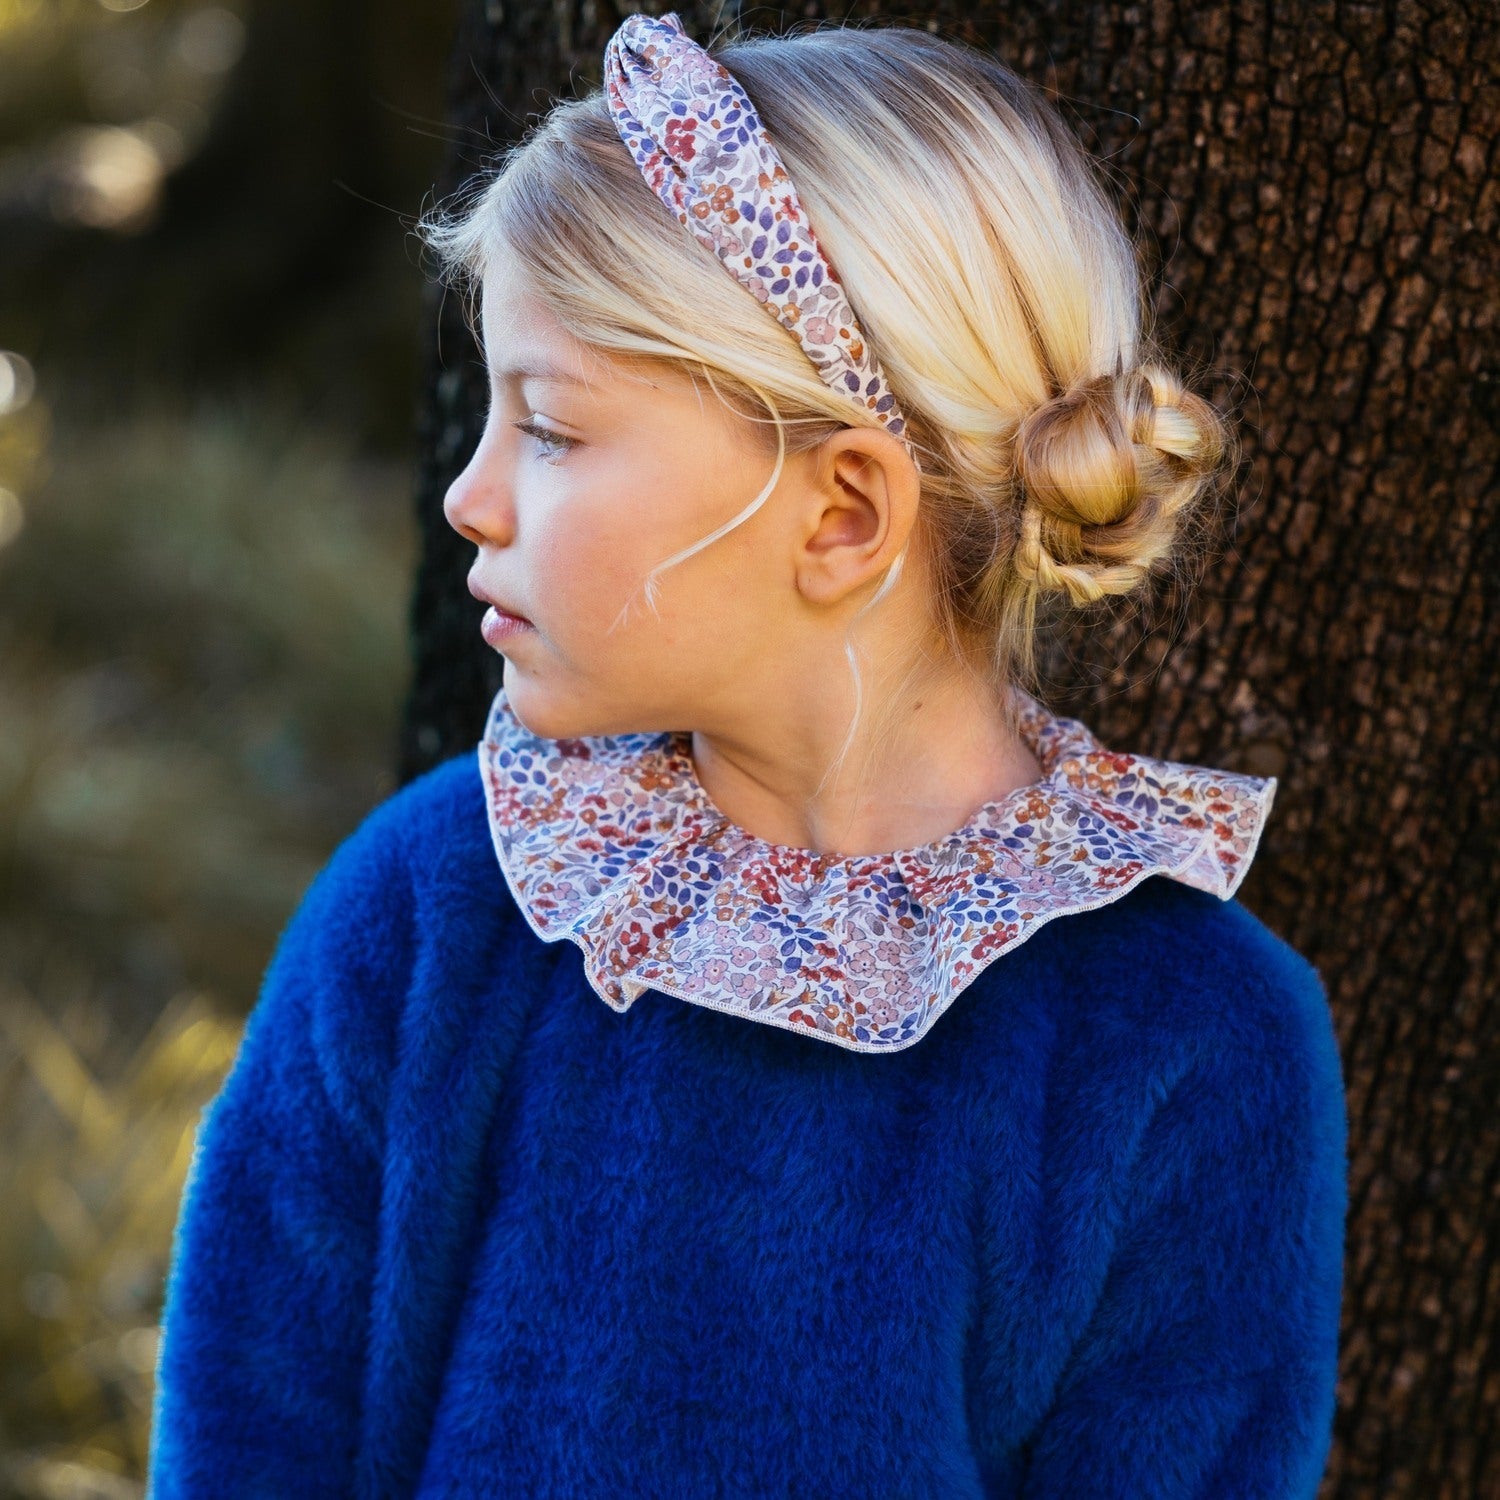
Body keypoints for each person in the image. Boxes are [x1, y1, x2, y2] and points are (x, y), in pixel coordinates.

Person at [147, 13, 1347, 1497]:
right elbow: (243, 1449)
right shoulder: (431, 910)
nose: (470, 494)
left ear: (842, 513)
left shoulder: (1189, 1043)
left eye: (555, 429)